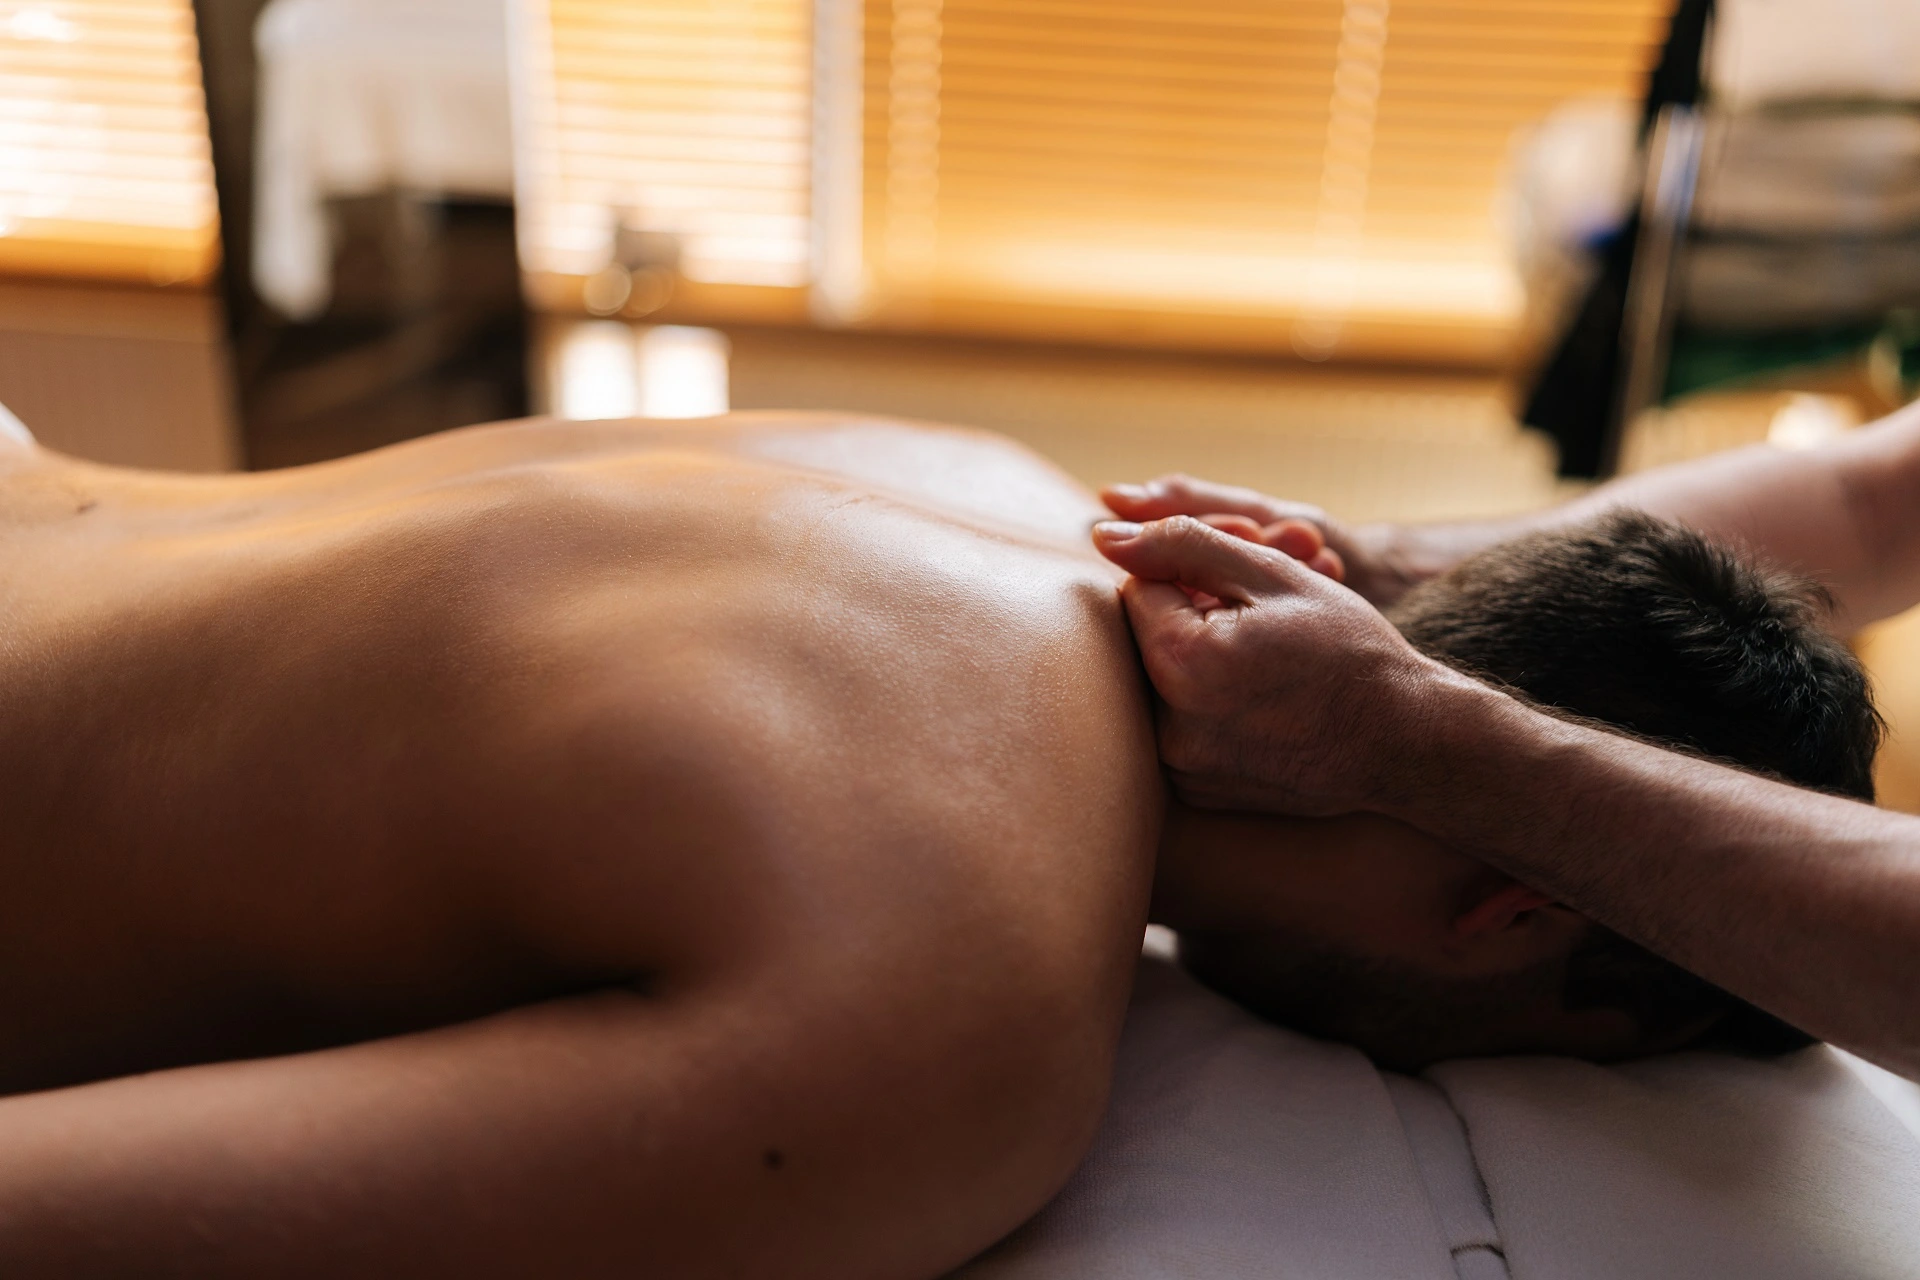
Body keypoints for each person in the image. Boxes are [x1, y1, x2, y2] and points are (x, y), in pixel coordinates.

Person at [1094, 398, 1920, 1081]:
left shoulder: (1004, 483)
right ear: (1518, 912)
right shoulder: (1025, 1036)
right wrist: (1406, 690)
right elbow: (1874, 503)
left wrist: (1410, 684)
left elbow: (1873, 503)